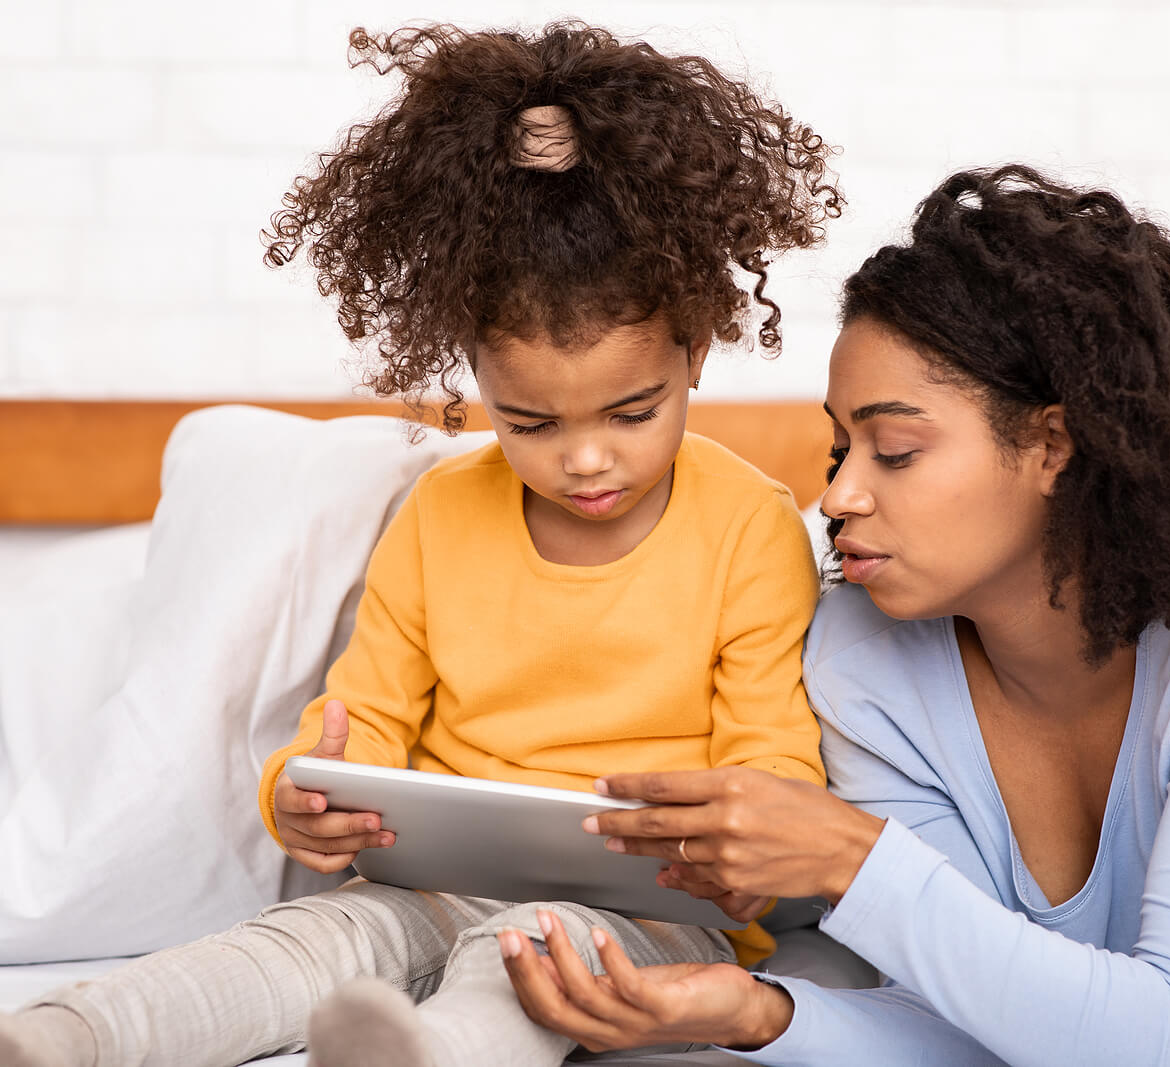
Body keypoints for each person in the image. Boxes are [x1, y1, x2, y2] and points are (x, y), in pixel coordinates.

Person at [496, 166, 1170, 1065]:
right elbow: (983, 1009)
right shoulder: (862, 643)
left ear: (1052, 444)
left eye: (893, 450)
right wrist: (757, 1010)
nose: (838, 495)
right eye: (838, 448)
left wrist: (851, 855)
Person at [0, 20, 842, 1067]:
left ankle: (428, 1055)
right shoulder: (442, 512)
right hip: (434, 881)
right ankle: (63, 1036)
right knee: (320, 932)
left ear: (696, 352)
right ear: (475, 378)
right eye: (529, 423)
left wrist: (747, 854)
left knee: (534, 949)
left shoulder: (748, 525)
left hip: (656, 910)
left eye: (631, 412)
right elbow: (363, 718)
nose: (584, 461)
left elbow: (771, 759)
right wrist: (306, 792)